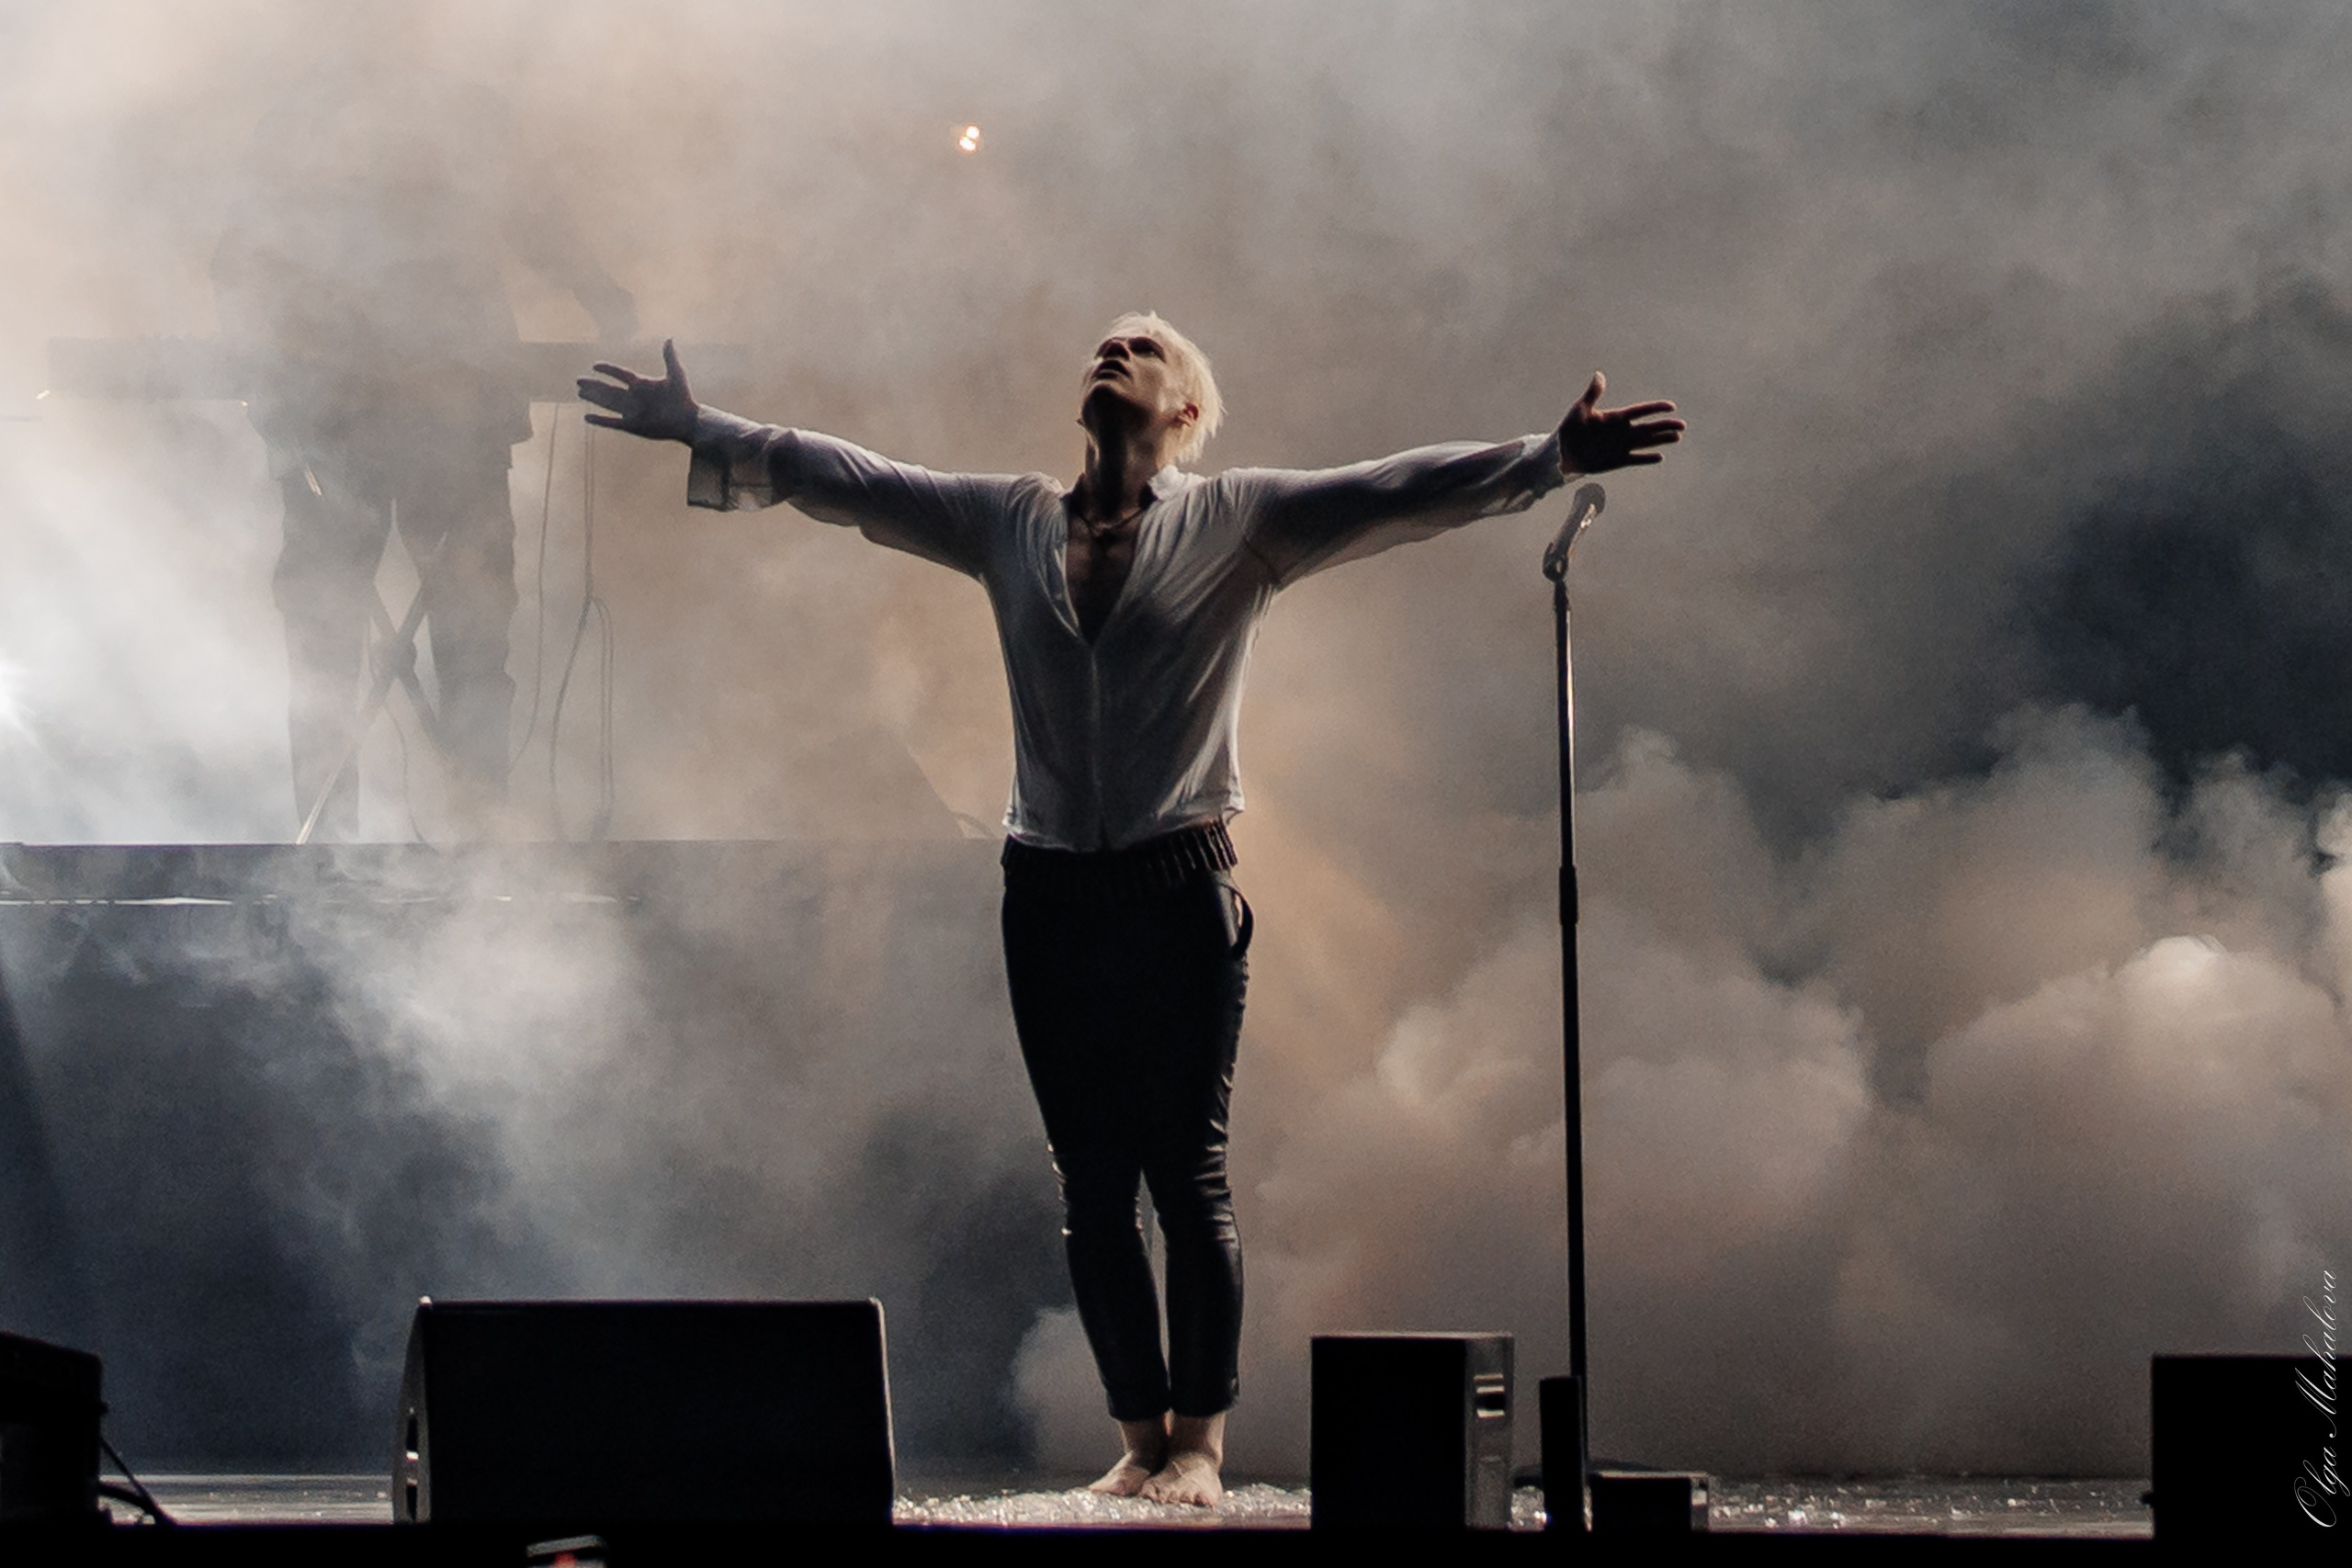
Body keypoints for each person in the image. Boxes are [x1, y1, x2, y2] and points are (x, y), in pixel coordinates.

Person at [579, 318, 1680, 1505]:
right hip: (1049, 892)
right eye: (1105, 345)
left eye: (1144, 350)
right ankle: (1139, 1435)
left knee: (1186, 1175)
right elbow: (849, 478)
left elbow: (1396, 489)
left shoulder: (1239, 519)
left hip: (1175, 886)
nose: (1115, 351)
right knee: (1092, 1188)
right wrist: (699, 427)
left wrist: (1548, 458)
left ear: (1185, 412)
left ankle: (1199, 1442)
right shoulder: (1008, 521)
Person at [215, 47, 634, 839]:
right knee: (376, 645)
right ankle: (437, 850)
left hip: (404, 422)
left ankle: (431, 850)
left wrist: (603, 297)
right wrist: (605, 300)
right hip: (369, 423)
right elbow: (243, 265)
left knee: (403, 643)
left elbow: (239, 265)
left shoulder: (333, 118)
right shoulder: (413, 115)